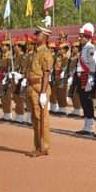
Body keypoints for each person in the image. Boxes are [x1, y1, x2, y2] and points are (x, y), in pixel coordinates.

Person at [27, 26, 54, 157]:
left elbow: (46, 74)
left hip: (39, 88)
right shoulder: (35, 51)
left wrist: (43, 92)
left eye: (38, 33)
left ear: (45, 37)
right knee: (35, 118)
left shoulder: (45, 53)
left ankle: (43, 147)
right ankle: (38, 146)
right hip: (32, 86)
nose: (35, 35)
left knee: (42, 118)